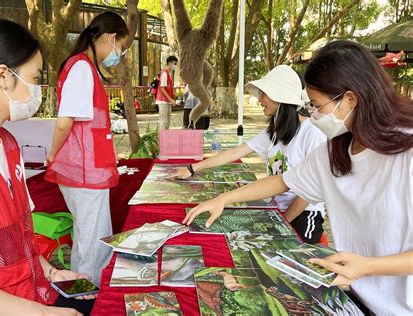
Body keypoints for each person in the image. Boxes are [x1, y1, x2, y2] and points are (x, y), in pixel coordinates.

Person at [184, 40, 413, 315]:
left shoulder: (406, 154)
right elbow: (284, 181)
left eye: (317, 106)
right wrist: (224, 199)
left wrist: (368, 266)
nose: (313, 115)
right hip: (355, 294)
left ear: (350, 99)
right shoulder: (336, 147)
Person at [0, 19, 94, 315]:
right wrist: (42, 313)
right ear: (3, 76)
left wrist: (50, 273)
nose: (37, 90)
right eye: (34, 79)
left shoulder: (8, 144)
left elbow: (19, 238)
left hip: (29, 292)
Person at [174, 65, 328, 243]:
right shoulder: (275, 131)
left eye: (264, 94)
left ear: (281, 98)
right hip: (276, 208)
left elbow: (307, 192)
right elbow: (236, 152)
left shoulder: (312, 133)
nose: (259, 98)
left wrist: (284, 221)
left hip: (304, 214)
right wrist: (192, 168)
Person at [45, 12, 128, 288]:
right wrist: (52, 153)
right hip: (84, 170)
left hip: (89, 167)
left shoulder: (85, 68)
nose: (120, 54)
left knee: (87, 237)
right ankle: (89, 293)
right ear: (110, 38)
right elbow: (65, 121)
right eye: (122, 47)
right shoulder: (81, 68)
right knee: (95, 240)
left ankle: (81, 288)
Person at [156, 55, 178, 130]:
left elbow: (168, 88)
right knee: (163, 122)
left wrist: (174, 95)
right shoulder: (164, 73)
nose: (175, 66)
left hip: (168, 101)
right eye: (174, 64)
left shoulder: (170, 74)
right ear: (169, 63)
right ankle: (162, 140)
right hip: (163, 101)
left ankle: (165, 139)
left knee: (168, 122)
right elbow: (162, 89)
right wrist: (171, 100)